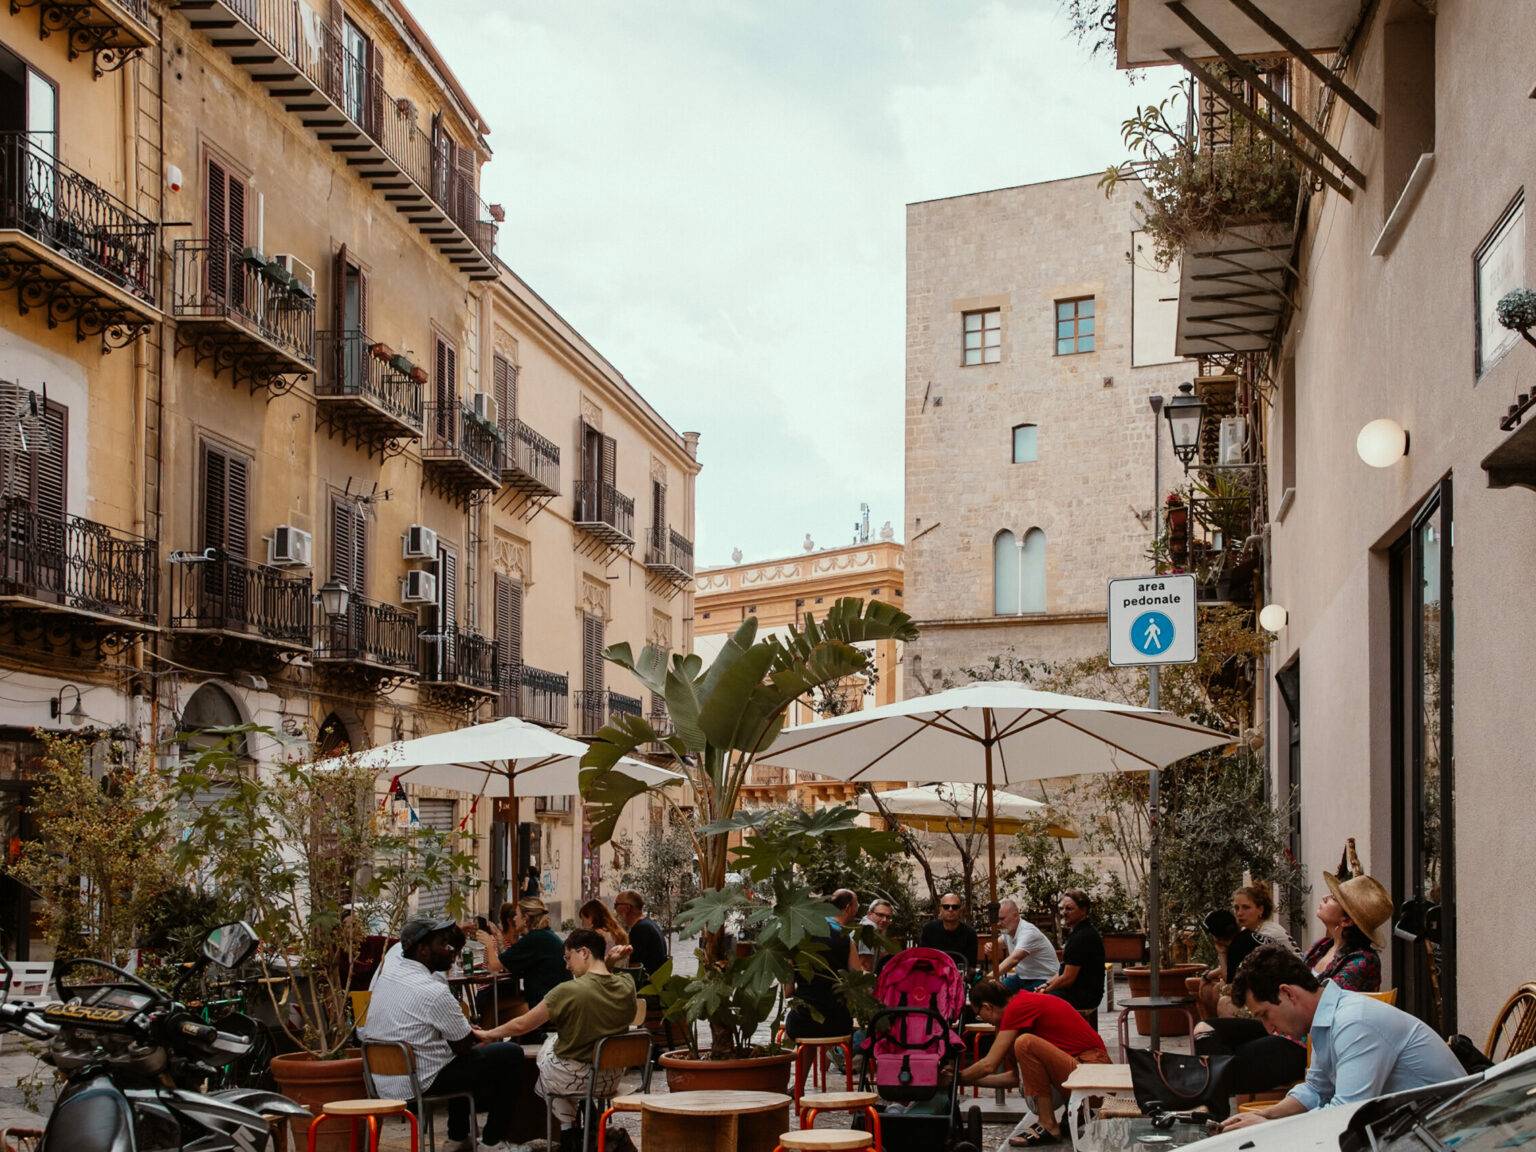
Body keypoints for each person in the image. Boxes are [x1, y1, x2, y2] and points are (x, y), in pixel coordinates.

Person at [1217, 944, 1464, 1133]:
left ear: (1287, 993)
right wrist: (1267, 1115)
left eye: (1266, 1015)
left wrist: (1268, 1128)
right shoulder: (1329, 1017)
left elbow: (1345, 1115)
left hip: (1447, 1132)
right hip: (1412, 1128)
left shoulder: (1354, 1022)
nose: (1270, 1029)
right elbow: (1316, 1088)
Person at [1195, 871, 1389, 1094]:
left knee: (1227, 1064)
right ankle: (1212, 1107)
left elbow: (1324, 1009)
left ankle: (1210, 1109)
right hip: (1284, 1026)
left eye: (1334, 898)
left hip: (1308, 1044)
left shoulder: (1362, 961)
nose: (1325, 897)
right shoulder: (1322, 948)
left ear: (1345, 920)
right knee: (1207, 1030)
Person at [363, 916, 525, 1151]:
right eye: (444, 945)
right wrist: (476, 1033)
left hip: (383, 1080)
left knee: (455, 1060)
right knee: (508, 1054)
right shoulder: (433, 991)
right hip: (418, 1082)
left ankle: (458, 1137)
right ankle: (492, 1142)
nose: (451, 951)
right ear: (423, 950)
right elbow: (463, 1047)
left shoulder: (390, 971)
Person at [475, 928, 641, 1148]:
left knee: (549, 1051)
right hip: (611, 1077)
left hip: (578, 1077)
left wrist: (487, 1034)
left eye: (567, 957)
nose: (566, 965)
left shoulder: (567, 991)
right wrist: (609, 962)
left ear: (583, 952)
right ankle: (574, 1133)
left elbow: (523, 1024)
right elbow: (604, 980)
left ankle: (567, 1132)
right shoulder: (627, 985)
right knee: (556, 1054)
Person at [960, 979, 1111, 1147]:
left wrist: (959, 1077)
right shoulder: (1014, 1014)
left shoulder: (1017, 1007)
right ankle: (1066, 1117)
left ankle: (1048, 1124)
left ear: (987, 1006)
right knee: (1024, 1044)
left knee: (1025, 1043)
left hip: (1096, 1074)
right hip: (1083, 1073)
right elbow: (1017, 1079)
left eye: (979, 1014)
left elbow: (989, 1064)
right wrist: (969, 1080)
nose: (981, 1019)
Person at [1196, 881, 1298, 1019]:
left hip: (1292, 989)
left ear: (1260, 910)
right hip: (1273, 984)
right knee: (1216, 989)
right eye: (1236, 908)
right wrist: (1218, 960)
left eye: (1246, 908)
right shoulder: (1249, 931)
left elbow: (1232, 978)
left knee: (1225, 1000)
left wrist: (1212, 971)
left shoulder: (1266, 933)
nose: (1239, 913)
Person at [474, 897, 568, 1029]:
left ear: (526, 918)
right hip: (555, 1000)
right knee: (493, 1008)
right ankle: (489, 1042)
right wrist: (500, 941)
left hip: (547, 1005)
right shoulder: (544, 935)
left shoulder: (534, 939)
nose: (514, 919)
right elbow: (509, 962)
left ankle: (486, 1042)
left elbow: (494, 966)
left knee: (492, 1008)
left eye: (517, 915)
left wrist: (489, 944)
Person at [786, 888, 858, 1040]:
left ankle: (804, 1065)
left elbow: (788, 991)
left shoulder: (798, 936)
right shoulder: (846, 939)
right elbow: (857, 979)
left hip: (801, 1020)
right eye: (857, 904)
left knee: (807, 1039)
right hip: (836, 1021)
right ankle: (831, 1062)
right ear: (848, 907)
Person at [1037, 889, 1104, 1016]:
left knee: (1035, 1003)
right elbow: (1063, 969)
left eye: (1069, 909)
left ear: (1083, 910)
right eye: (1062, 909)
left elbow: (1068, 978)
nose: (1064, 913)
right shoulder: (1078, 932)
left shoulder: (1082, 936)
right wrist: (1046, 984)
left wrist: (1046, 990)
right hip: (1079, 991)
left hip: (1083, 996)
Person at [995, 898, 1059, 992]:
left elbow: (1014, 959)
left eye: (1002, 919)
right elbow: (1000, 941)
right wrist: (991, 945)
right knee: (995, 992)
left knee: (1019, 1002)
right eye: (997, 919)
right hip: (1022, 978)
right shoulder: (1009, 930)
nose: (999, 923)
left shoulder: (1027, 932)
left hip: (1044, 978)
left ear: (1016, 915)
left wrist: (989, 977)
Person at [613, 889, 668, 977]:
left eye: (616, 905)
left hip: (648, 984)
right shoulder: (647, 923)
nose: (614, 909)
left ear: (627, 908)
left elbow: (634, 966)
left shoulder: (640, 929)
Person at [919, 893, 980, 971]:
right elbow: (923, 959)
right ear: (940, 909)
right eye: (946, 907)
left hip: (959, 978)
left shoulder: (970, 933)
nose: (950, 910)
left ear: (960, 910)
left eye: (955, 907)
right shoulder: (929, 930)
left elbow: (971, 965)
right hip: (934, 976)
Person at [579, 899, 633, 967]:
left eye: (583, 919)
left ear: (591, 918)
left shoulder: (595, 935)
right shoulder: (617, 932)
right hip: (620, 974)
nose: (582, 924)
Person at [854, 898, 896, 975]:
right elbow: (865, 965)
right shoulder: (868, 928)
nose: (884, 920)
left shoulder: (873, 927)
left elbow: (882, 954)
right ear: (869, 913)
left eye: (888, 917)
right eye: (880, 915)